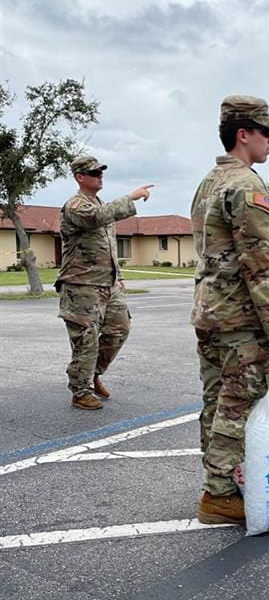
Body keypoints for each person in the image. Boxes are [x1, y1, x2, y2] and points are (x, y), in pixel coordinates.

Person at [190, 95, 269, 525]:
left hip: (210, 312)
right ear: (243, 134)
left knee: (216, 400)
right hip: (238, 317)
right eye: (266, 132)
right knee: (240, 401)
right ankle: (218, 495)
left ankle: (222, 484)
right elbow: (258, 258)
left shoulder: (209, 181)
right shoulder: (246, 184)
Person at [55, 155, 154, 410]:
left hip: (107, 284)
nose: (100, 175)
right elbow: (98, 217)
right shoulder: (76, 205)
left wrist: (118, 276)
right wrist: (131, 197)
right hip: (81, 286)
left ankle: (94, 373)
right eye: (94, 172)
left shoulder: (99, 204)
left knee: (119, 329)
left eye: (101, 171)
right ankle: (80, 391)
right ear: (80, 177)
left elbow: (109, 248)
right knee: (86, 339)